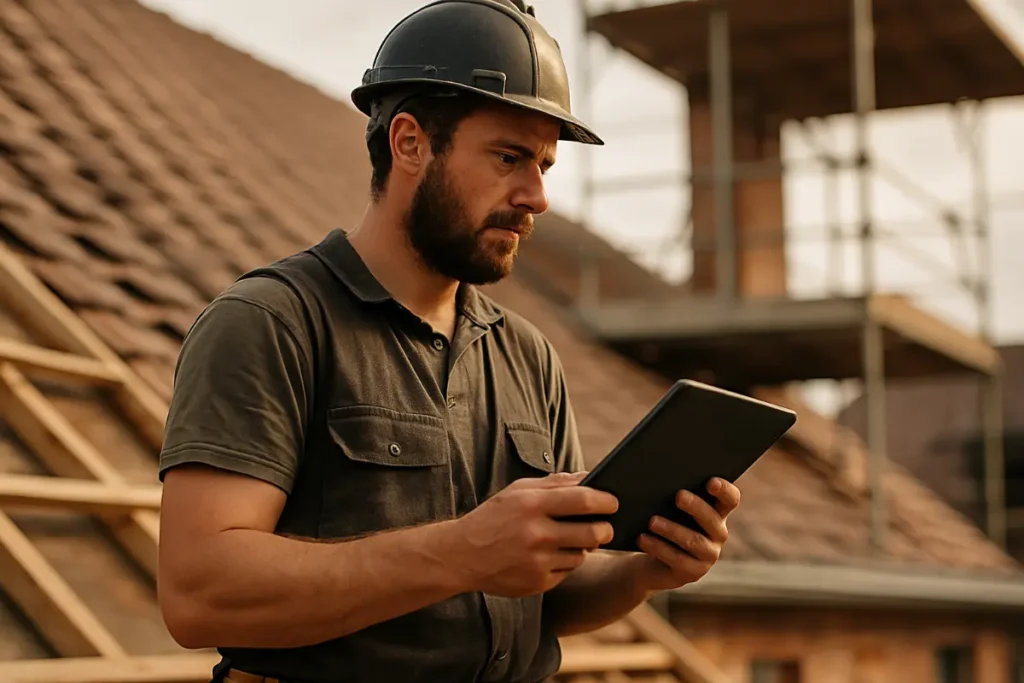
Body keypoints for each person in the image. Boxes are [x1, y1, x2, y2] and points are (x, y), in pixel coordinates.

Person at [156, 1, 741, 682]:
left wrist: (646, 570)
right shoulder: (271, 323)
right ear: (409, 142)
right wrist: (464, 551)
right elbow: (199, 594)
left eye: (545, 165)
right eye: (508, 157)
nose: (536, 195)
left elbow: (545, 599)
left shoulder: (529, 357)